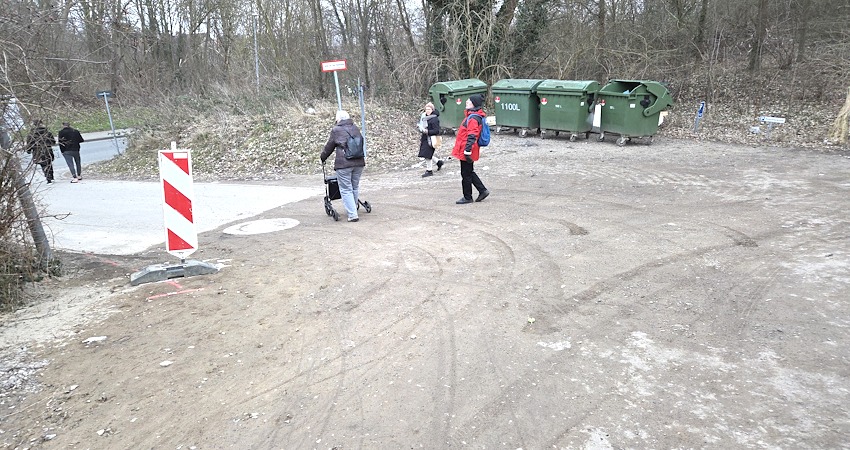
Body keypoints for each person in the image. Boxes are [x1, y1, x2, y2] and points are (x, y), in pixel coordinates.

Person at [320, 110, 366, 222]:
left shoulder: (336, 130)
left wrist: (323, 157)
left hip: (344, 164)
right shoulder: (355, 128)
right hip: (359, 162)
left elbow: (329, 146)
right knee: (354, 187)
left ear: (339, 119)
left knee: (346, 189)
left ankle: (352, 214)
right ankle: (353, 207)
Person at [451, 94, 490, 204]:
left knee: (466, 173)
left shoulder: (473, 118)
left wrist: (467, 151)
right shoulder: (473, 116)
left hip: (467, 149)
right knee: (468, 172)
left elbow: (472, 135)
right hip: (467, 149)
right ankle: (482, 190)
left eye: (469, 100)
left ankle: (468, 197)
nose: (467, 101)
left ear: (474, 104)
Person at [417, 102, 444, 177]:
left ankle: (429, 171)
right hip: (425, 138)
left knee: (427, 154)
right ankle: (438, 162)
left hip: (432, 138)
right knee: (427, 154)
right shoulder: (424, 117)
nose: (427, 111)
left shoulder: (434, 119)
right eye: (426, 109)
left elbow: (437, 130)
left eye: (429, 109)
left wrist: (427, 131)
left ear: (432, 110)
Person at [25, 120, 56, 184]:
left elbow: (29, 144)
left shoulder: (31, 134)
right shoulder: (47, 132)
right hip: (48, 150)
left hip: (37, 151)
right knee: (49, 163)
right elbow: (53, 142)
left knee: (43, 164)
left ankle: (48, 178)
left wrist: (29, 150)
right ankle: (51, 176)